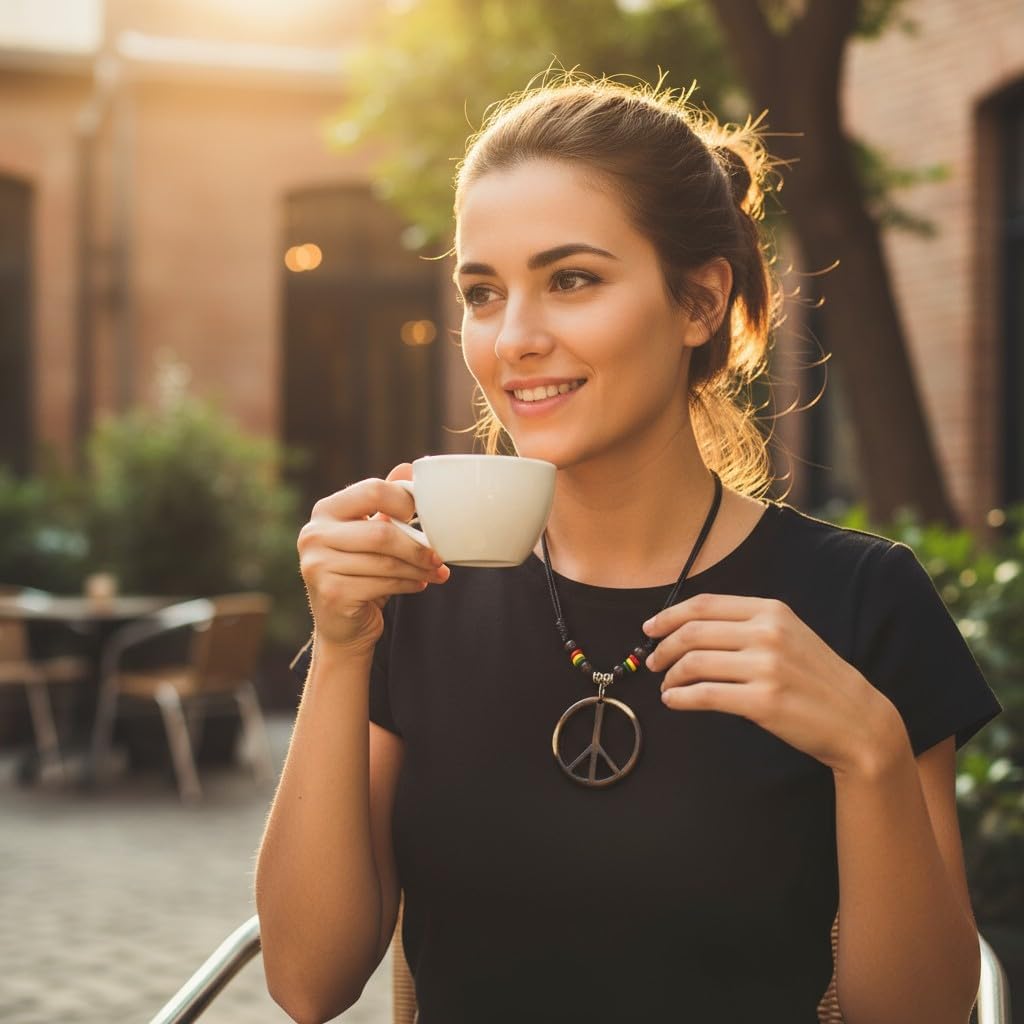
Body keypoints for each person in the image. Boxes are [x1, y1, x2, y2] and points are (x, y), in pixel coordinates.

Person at [254, 74, 1002, 1024]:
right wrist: (342, 647)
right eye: (484, 293)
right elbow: (306, 982)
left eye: (571, 279)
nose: (513, 338)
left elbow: (922, 1018)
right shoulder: (418, 590)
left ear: (698, 304)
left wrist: (870, 753)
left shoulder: (862, 599)